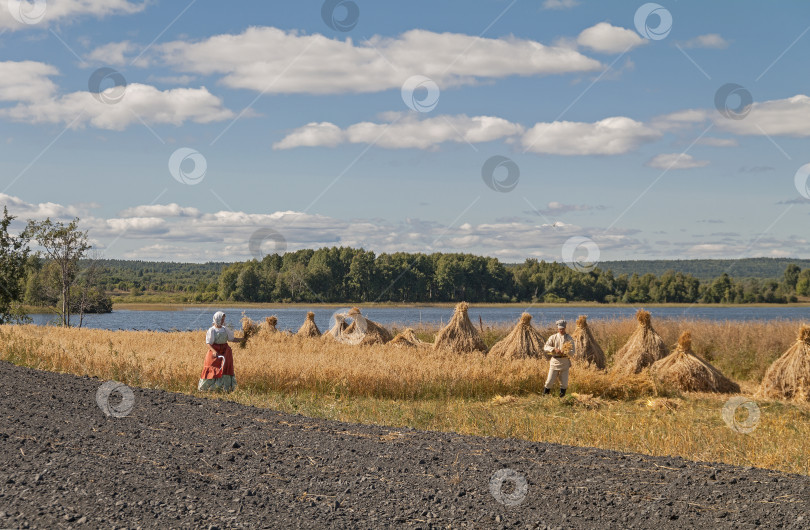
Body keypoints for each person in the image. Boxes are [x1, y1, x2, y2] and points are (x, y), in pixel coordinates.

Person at [198, 311, 239, 392]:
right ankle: (207, 389)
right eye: (222, 319)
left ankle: (225, 389)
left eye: (223, 319)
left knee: (225, 369)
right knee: (212, 368)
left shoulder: (225, 329)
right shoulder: (212, 330)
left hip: (225, 352)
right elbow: (208, 343)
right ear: (217, 319)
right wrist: (213, 351)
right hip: (214, 353)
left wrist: (243, 339)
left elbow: (232, 339)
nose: (223, 321)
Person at [543, 319, 575, 397]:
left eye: (563, 329)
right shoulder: (553, 337)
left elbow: (573, 351)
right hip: (554, 362)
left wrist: (566, 351)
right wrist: (554, 349)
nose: (561, 330)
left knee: (564, 383)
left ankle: (562, 399)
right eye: (560, 329)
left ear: (565, 328)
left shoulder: (569, 338)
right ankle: (544, 397)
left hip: (565, 362)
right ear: (557, 328)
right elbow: (546, 347)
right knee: (549, 381)